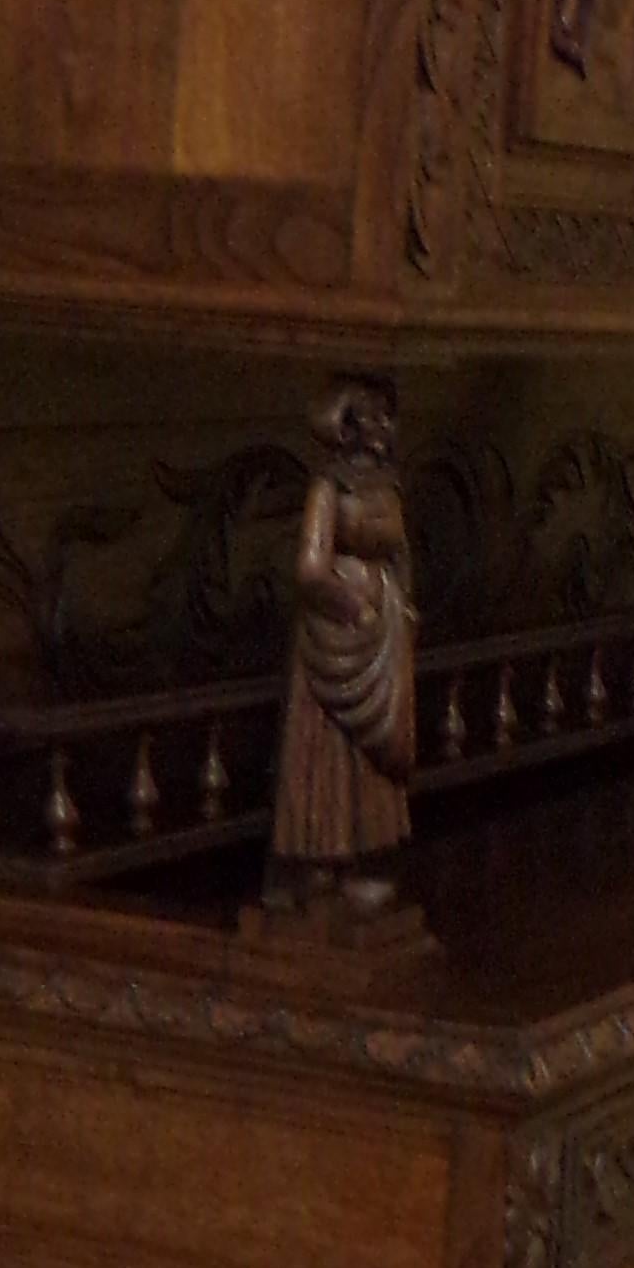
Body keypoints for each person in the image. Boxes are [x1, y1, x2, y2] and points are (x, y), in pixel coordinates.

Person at [266, 382, 417, 913]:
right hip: (337, 625)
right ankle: (321, 857)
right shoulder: (328, 488)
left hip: (381, 626)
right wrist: (353, 607)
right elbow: (309, 567)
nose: (385, 430)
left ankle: (369, 851)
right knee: (328, 744)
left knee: (376, 749)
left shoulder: (387, 484)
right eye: (375, 419)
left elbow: (400, 552)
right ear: (348, 425)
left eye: (389, 419)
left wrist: (399, 611)